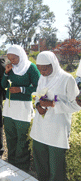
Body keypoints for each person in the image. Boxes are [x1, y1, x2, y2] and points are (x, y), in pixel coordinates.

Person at [30, 51, 81, 181]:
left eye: (45, 68)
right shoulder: (42, 78)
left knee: (56, 167)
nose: (42, 72)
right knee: (40, 163)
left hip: (57, 128)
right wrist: (38, 106)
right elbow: (38, 96)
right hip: (40, 127)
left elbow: (76, 105)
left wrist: (53, 104)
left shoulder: (67, 79)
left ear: (53, 64)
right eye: (39, 69)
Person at [1, 45, 40, 171]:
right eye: (9, 58)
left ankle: (22, 167)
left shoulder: (31, 68)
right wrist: (6, 73)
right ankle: (11, 163)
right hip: (9, 108)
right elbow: (3, 85)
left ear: (21, 56)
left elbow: (38, 87)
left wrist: (21, 89)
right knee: (10, 136)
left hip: (23, 109)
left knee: (22, 138)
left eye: (14, 58)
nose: (11, 61)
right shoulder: (11, 68)